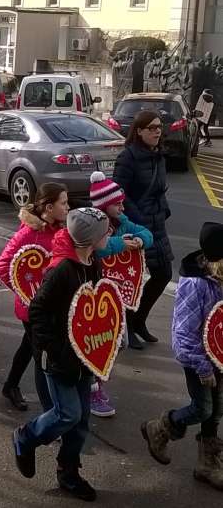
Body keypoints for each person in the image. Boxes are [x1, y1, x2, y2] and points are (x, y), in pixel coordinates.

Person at [13, 207, 110, 502]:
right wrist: (52, 350)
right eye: (106, 231)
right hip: (59, 358)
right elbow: (38, 311)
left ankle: (68, 472)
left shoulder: (93, 264)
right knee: (67, 413)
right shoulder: (62, 271)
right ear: (91, 239)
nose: (111, 234)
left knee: (80, 421)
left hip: (83, 356)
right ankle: (26, 437)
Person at [141, 222, 223, 491]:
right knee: (203, 408)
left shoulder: (219, 279)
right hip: (199, 358)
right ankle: (161, 427)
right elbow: (184, 333)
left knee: (217, 409)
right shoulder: (195, 285)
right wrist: (202, 365)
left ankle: (206, 463)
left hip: (219, 356)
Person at [0, 183, 69, 411]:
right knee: (42, 357)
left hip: (52, 306)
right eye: (64, 203)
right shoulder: (28, 234)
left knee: (29, 347)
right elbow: (3, 266)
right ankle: (51, 413)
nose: (68, 207)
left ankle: (10, 385)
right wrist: (25, 292)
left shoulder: (60, 230)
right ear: (49, 207)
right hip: (32, 309)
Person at [88, 172, 154, 418]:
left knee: (119, 343)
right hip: (95, 295)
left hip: (117, 296)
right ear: (105, 205)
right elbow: (94, 250)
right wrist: (120, 244)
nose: (123, 206)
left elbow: (147, 234)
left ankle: (95, 384)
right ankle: (93, 389)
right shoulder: (93, 224)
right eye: (118, 203)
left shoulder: (123, 222)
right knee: (101, 342)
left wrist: (138, 239)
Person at [113, 110, 173, 349]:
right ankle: (126, 327)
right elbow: (119, 193)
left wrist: (164, 211)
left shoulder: (157, 155)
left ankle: (139, 321)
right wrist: (138, 221)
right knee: (131, 280)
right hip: (136, 227)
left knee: (164, 274)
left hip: (157, 223)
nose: (157, 131)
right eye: (151, 127)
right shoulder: (128, 157)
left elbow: (160, 189)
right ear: (138, 131)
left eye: (159, 126)